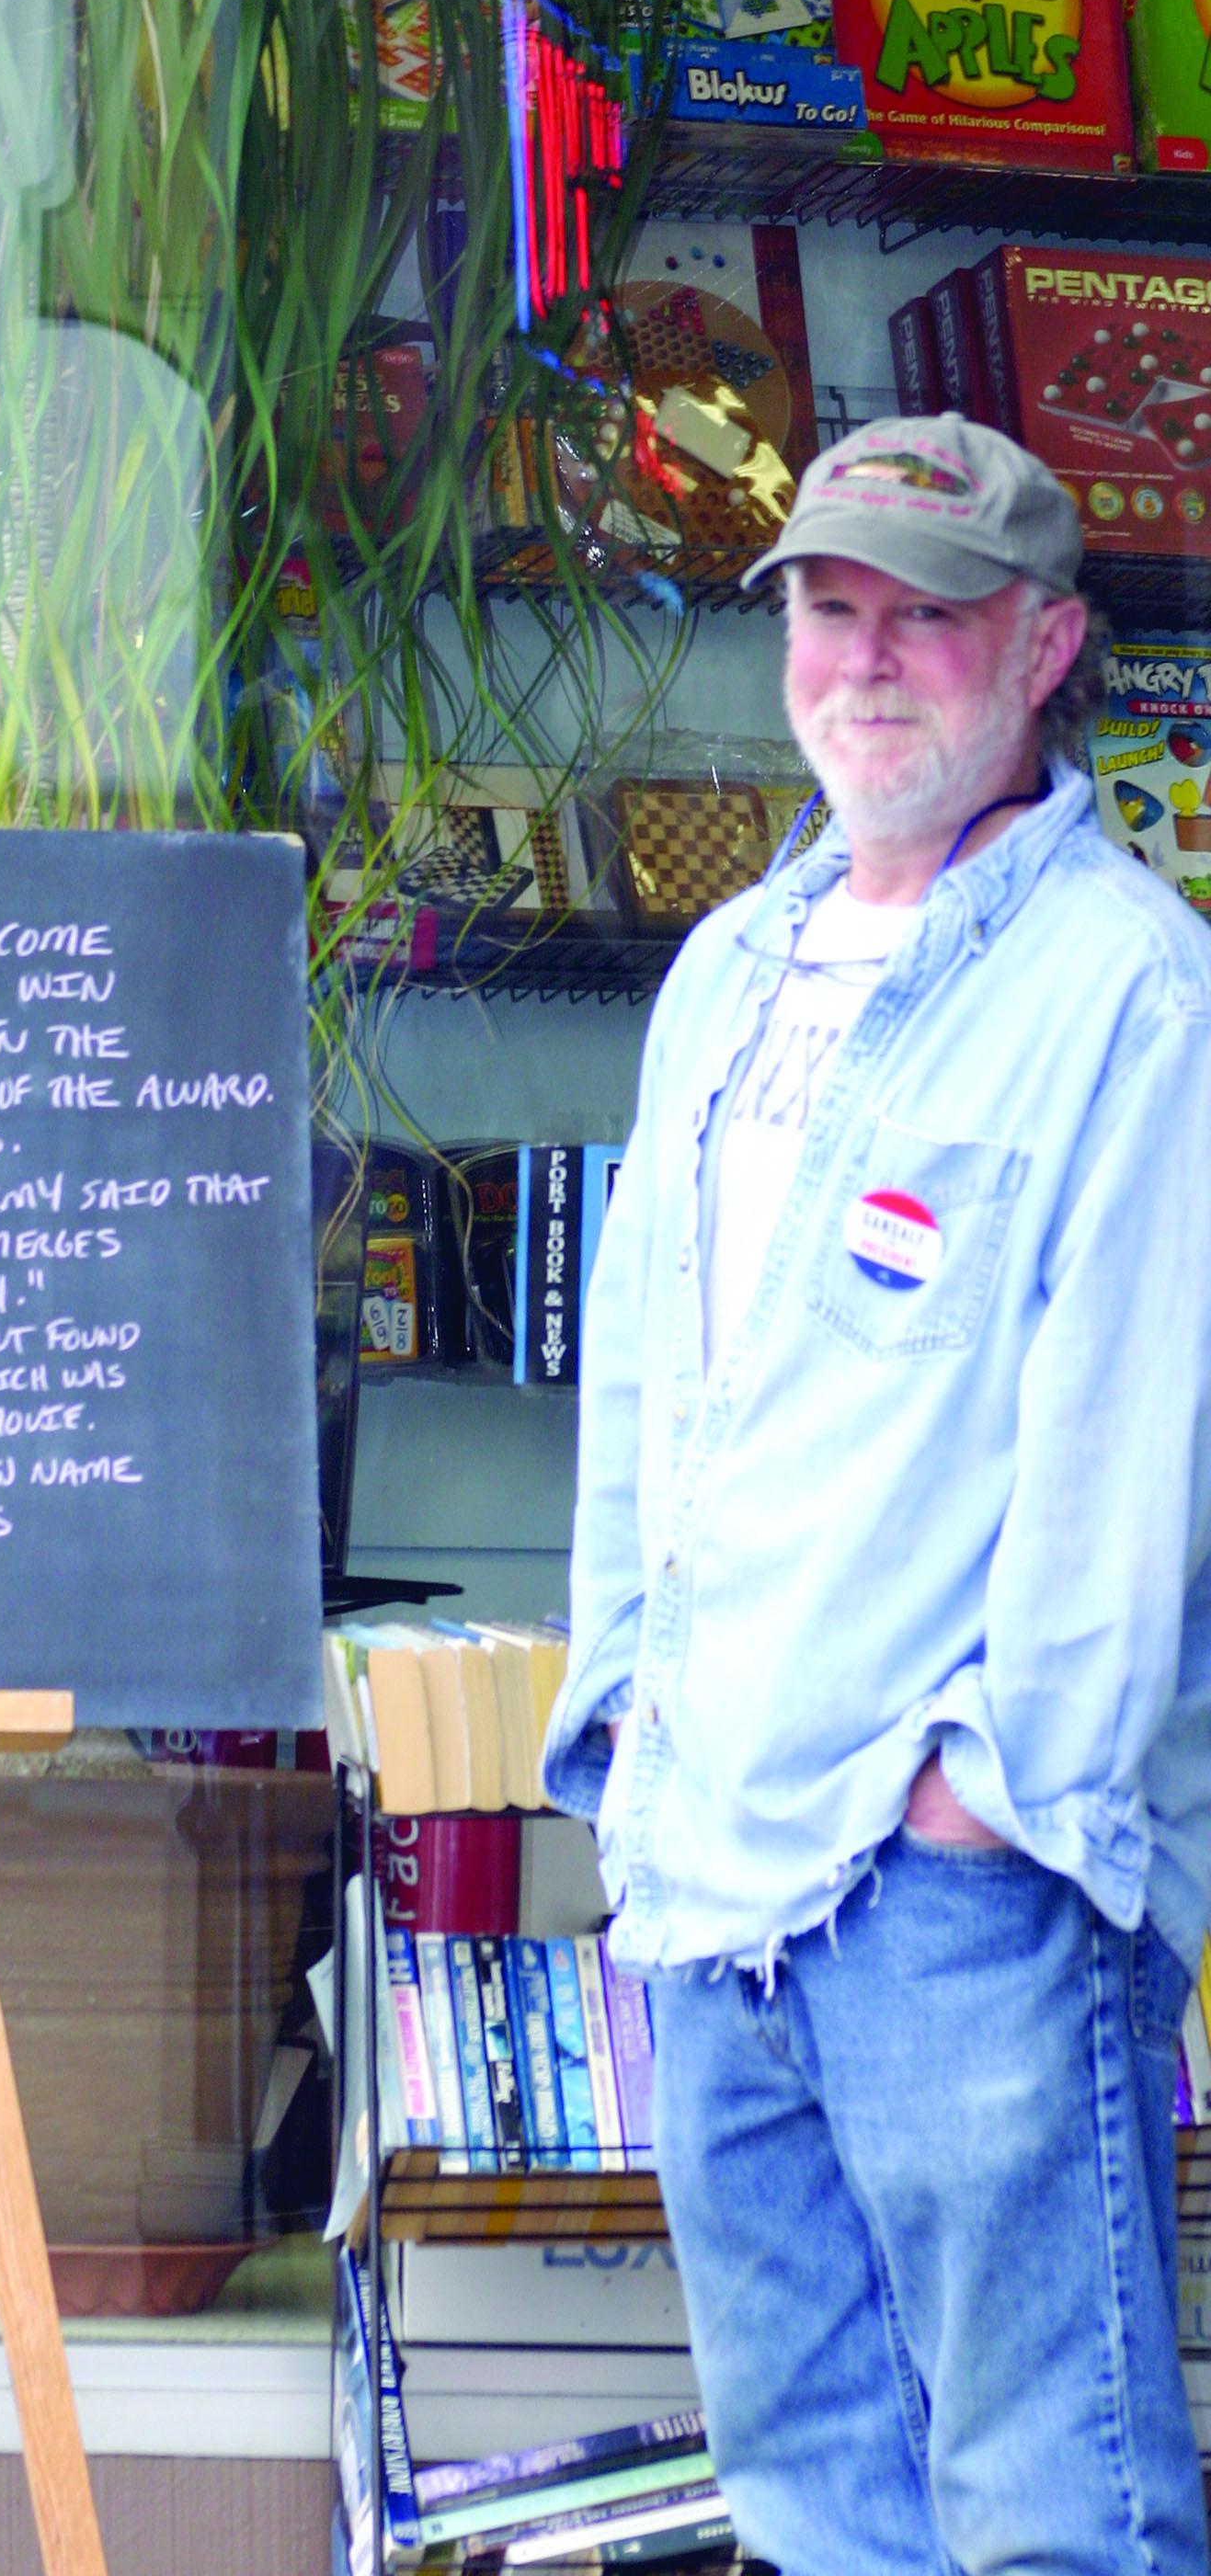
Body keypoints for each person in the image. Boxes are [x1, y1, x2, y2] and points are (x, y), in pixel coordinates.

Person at [543, 410, 1211, 2576]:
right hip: (712, 1870)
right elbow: (646, 1380)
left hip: (954, 1889)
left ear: (1047, 651)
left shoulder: (1132, 989)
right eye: (833, 610)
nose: (872, 660)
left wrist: (994, 1801)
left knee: (1053, 2523)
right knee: (817, 2507)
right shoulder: (731, 972)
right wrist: (625, 1728)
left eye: (933, 617)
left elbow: (1138, 1442)